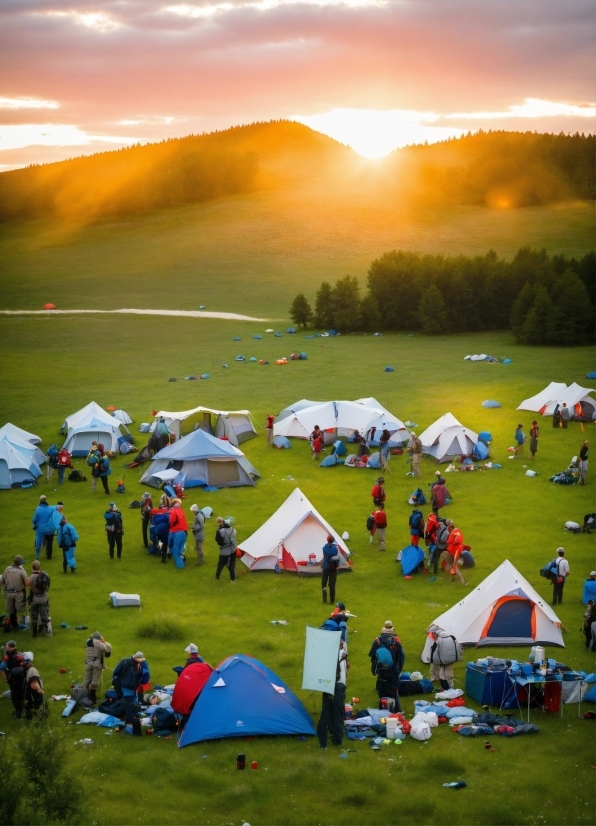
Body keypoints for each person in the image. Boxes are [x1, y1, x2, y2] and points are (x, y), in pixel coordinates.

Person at [317, 638, 348, 749]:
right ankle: (337, 740)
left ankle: (323, 744)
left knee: (325, 715)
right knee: (338, 715)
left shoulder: (330, 656)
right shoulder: (343, 654)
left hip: (329, 686)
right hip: (340, 687)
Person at [368, 620, 404, 713]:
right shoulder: (396, 641)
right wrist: (399, 668)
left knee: (383, 690)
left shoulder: (377, 640)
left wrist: (374, 669)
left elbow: (372, 654)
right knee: (393, 691)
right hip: (394, 671)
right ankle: (396, 711)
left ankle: (383, 710)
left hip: (382, 671)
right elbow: (402, 656)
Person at [112, 651, 149, 725]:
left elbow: (145, 678)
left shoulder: (142, 664)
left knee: (130, 703)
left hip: (134, 687)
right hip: (126, 687)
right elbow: (116, 672)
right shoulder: (125, 662)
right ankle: (128, 722)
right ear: (135, 657)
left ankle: (128, 718)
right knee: (129, 704)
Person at [82, 631, 112, 705]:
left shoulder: (88, 641)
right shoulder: (98, 642)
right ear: (99, 638)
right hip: (96, 664)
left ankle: (83, 695)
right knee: (95, 681)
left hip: (88, 663)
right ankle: (93, 697)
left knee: (86, 680)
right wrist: (104, 642)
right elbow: (107, 649)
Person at [1, 556, 30, 631]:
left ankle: (13, 624)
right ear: (20, 563)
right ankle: (18, 625)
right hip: (18, 593)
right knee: (19, 609)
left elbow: (2, 581)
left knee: (11, 610)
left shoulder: (7, 570)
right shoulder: (22, 571)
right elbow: (27, 584)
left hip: (9, 593)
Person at [0, 640, 26, 718]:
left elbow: (2, 667)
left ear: (8, 647)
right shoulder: (19, 654)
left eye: (6, 646)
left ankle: (19, 712)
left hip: (14, 679)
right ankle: (23, 709)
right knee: (21, 695)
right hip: (22, 678)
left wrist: (6, 679)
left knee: (15, 696)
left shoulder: (8, 657)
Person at [29, 560, 50, 637]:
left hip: (34, 599)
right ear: (39, 567)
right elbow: (47, 588)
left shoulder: (31, 577)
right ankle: (44, 633)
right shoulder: (45, 576)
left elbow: (29, 586)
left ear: (32, 567)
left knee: (34, 617)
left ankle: (34, 634)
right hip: (43, 598)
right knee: (44, 615)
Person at [32, 495, 57, 560]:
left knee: (38, 541)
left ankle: (37, 556)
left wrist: (35, 525)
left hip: (41, 529)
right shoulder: (51, 509)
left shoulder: (38, 509)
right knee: (50, 542)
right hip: (50, 529)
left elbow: (34, 520)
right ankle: (49, 556)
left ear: (40, 501)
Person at [21, 652, 45, 719]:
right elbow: (34, 682)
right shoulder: (32, 670)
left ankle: (28, 716)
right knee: (38, 705)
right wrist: (39, 689)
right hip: (34, 693)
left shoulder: (24, 669)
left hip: (27, 692)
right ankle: (39, 718)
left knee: (29, 704)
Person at [215, 516, 237, 582]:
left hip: (224, 551)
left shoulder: (219, 531)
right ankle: (232, 579)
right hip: (233, 549)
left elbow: (219, 542)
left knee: (221, 564)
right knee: (231, 565)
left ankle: (217, 577)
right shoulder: (233, 530)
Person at [444, 521, 467, 585]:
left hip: (455, 552)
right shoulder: (458, 530)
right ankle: (452, 580)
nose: (447, 528)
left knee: (454, 566)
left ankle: (463, 582)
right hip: (459, 550)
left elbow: (448, 542)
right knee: (453, 565)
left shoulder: (452, 533)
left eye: (447, 526)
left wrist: (450, 540)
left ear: (449, 527)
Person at [168, 498, 188, 569]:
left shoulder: (173, 512)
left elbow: (172, 522)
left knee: (175, 551)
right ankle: (182, 560)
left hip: (177, 532)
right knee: (180, 550)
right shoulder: (181, 511)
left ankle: (180, 566)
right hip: (185, 532)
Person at [321, 534, 340, 603]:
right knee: (332, 584)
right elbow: (336, 555)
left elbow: (324, 556)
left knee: (324, 582)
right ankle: (332, 600)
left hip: (325, 566)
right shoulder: (335, 548)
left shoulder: (324, 548)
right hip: (333, 567)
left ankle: (324, 596)